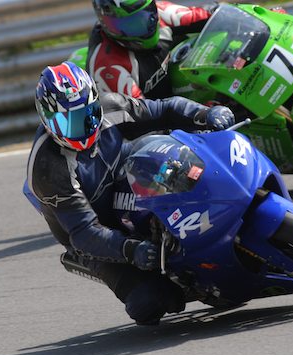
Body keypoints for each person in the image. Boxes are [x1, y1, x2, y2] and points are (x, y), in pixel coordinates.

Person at [25, 61, 234, 325]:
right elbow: (84, 232)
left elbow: (164, 109)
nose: (84, 127)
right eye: (70, 122)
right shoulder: (48, 168)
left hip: (127, 180)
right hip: (95, 234)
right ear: (48, 120)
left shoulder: (111, 107)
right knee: (149, 303)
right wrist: (129, 249)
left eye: (88, 114)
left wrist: (204, 113)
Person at [86, 0, 216, 99]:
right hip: (156, 117)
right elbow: (137, 116)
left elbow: (212, 14)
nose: (142, 26)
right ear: (106, 24)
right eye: (129, 24)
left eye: (144, 16)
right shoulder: (109, 67)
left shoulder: (162, 13)